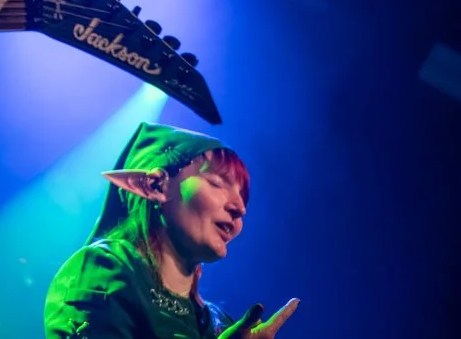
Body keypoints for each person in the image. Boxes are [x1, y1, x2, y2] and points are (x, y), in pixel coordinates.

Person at [43, 122, 300, 339]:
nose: (239, 208)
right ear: (157, 186)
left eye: (243, 197)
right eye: (217, 183)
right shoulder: (103, 271)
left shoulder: (218, 322)